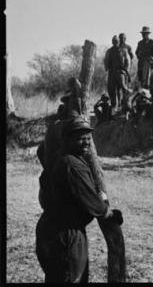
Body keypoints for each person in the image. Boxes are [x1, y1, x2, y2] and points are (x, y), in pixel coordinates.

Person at [35, 115, 122, 283]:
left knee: (57, 278)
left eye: (88, 138)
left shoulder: (58, 157)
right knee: (70, 278)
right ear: (67, 140)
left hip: (50, 231)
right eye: (80, 139)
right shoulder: (71, 165)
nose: (86, 142)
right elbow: (92, 204)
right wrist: (109, 213)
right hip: (66, 236)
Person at [135, 26, 153, 98]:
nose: (144, 35)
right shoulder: (140, 43)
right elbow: (137, 53)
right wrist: (142, 57)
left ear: (148, 34)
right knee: (141, 85)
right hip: (141, 66)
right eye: (143, 33)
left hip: (151, 66)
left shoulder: (152, 42)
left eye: (145, 33)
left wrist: (151, 60)